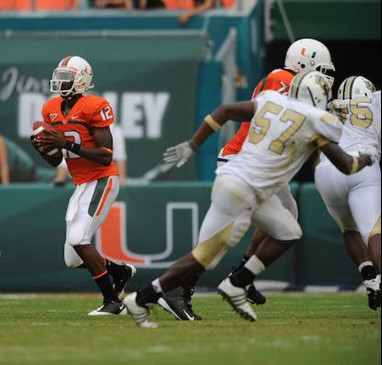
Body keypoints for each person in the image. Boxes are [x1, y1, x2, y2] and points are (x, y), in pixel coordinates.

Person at [123, 71, 377, 328]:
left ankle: (236, 283)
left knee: (288, 230)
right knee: (205, 256)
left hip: (237, 181)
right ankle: (145, 298)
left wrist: (192, 144)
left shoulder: (270, 100)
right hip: (243, 190)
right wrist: (367, 157)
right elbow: (347, 165)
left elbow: (224, 111)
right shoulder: (316, 120)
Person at [158, 38, 336, 321]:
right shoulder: (281, 78)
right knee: (216, 239)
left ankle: (242, 276)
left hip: (261, 166)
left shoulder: (292, 83)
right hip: (245, 162)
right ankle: (179, 289)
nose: (324, 79)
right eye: (319, 70)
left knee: (288, 214)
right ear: (304, 64)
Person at [31, 55, 136, 315]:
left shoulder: (94, 105)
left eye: (66, 77)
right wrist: (43, 148)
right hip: (82, 185)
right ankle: (120, 271)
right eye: (59, 76)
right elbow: (56, 160)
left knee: (79, 238)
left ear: (81, 80)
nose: (60, 81)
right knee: (72, 258)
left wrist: (65, 143)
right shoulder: (51, 108)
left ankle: (113, 302)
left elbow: (105, 155)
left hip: (102, 179)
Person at [315, 76, 381, 310]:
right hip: (360, 167)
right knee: (374, 232)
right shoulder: (376, 101)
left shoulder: (327, 106)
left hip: (325, 171)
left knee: (349, 229)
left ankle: (371, 280)